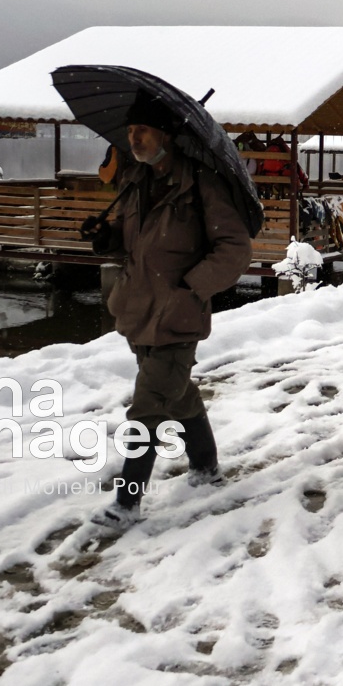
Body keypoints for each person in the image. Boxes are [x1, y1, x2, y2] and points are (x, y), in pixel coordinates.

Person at [80, 91, 253, 529]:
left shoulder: (202, 186)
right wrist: (105, 236)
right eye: (131, 131)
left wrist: (193, 287)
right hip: (137, 309)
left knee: (147, 408)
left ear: (167, 135)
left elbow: (235, 249)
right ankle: (206, 466)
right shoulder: (136, 181)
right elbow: (131, 239)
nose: (134, 139)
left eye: (142, 131)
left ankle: (126, 503)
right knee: (176, 394)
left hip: (177, 315)